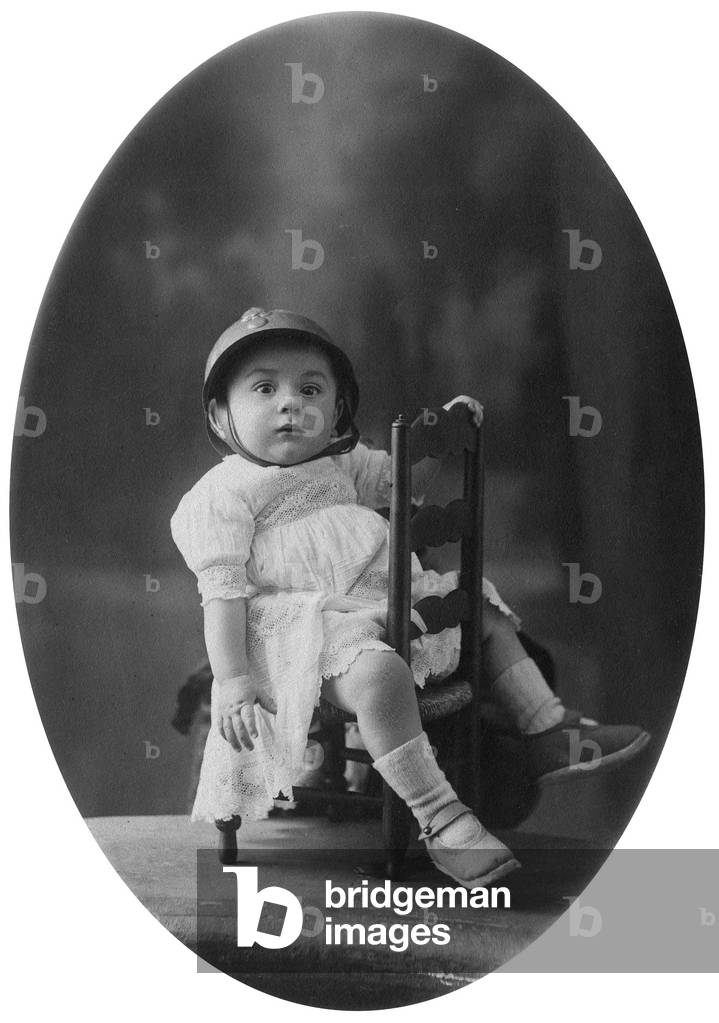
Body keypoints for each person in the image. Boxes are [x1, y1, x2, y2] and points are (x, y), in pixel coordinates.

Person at [170, 307, 650, 887]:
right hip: (304, 631)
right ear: (221, 417)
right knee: (379, 677)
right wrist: (233, 679)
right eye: (265, 388)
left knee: (480, 607)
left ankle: (545, 727)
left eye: (311, 388)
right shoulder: (223, 493)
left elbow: (405, 483)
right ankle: (441, 817)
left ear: (338, 409)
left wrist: (444, 437)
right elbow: (222, 592)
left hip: (385, 608)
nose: (291, 403)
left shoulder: (345, 463)